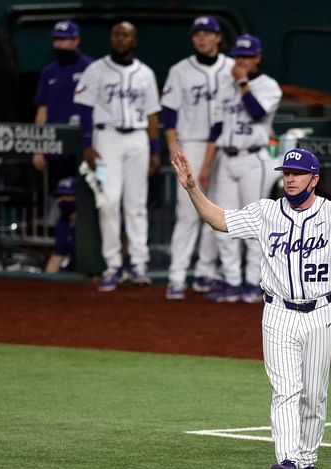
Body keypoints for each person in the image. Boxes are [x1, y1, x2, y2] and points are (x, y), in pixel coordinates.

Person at [171, 147, 331, 469]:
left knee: (314, 396)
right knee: (286, 391)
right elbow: (218, 219)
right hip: (278, 314)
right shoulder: (265, 212)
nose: (290, 178)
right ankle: (288, 463)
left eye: (297, 173)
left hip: (320, 313)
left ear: (314, 179)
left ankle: (308, 462)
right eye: (286, 173)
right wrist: (193, 188)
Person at [73, 21, 161, 292]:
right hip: (105, 139)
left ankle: (138, 264)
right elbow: (85, 111)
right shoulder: (95, 70)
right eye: (117, 35)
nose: (121, 39)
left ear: (134, 40)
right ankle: (113, 265)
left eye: (126, 35)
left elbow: (152, 115)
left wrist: (155, 150)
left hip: (137, 139)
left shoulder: (145, 73)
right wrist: (88, 145)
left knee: (136, 205)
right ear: (112, 39)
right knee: (107, 202)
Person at [198, 33, 283, 303]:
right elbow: (216, 127)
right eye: (238, 56)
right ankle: (232, 281)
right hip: (226, 159)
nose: (242, 61)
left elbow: (257, 113)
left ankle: (253, 282)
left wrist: (243, 83)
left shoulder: (269, 86)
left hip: (254, 160)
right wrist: (207, 165)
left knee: (253, 222)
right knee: (223, 222)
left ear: (258, 58)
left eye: (247, 56)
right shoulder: (226, 85)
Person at [161, 16, 234, 300]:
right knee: (188, 213)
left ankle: (206, 273)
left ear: (218, 37)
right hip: (190, 143)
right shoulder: (180, 70)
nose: (201, 38)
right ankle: (177, 277)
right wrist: (172, 147)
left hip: (225, 146)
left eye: (207, 33)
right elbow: (168, 113)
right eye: (197, 34)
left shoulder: (232, 68)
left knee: (219, 211)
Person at [32, 20, 93, 220]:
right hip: (55, 148)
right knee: (58, 201)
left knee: (88, 199)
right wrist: (38, 147)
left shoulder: (91, 68)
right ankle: (60, 245)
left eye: (64, 40)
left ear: (76, 40)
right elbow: (43, 109)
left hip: (84, 147)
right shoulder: (48, 72)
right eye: (56, 40)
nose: (59, 45)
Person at [45, 177, 77, 273]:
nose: (62, 199)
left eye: (68, 195)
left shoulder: (90, 224)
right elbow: (57, 255)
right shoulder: (62, 223)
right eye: (60, 195)